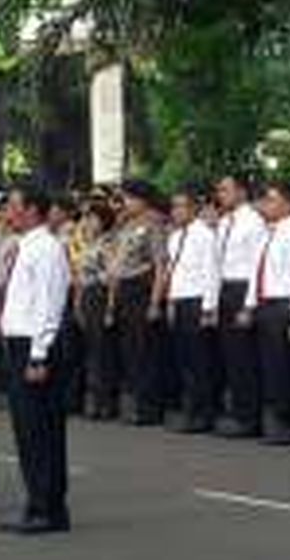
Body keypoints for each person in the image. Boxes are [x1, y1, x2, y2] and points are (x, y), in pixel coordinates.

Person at [0, 185, 73, 535]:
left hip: (36, 345)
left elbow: (49, 303)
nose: (6, 211)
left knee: (39, 429)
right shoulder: (24, 246)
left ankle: (48, 508)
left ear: (31, 210)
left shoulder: (46, 248)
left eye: (12, 205)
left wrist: (39, 354)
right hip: (19, 342)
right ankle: (38, 503)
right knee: (27, 431)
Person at [244, 182, 290, 445]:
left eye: (272, 200)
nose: (267, 205)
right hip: (265, 304)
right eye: (266, 200)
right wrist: (249, 305)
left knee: (284, 367)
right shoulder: (266, 233)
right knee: (268, 366)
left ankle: (289, 423)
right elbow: (255, 271)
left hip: (283, 306)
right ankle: (276, 421)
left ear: (287, 204)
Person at [159, 187, 220, 433]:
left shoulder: (204, 234)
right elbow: (174, 273)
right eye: (174, 207)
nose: (176, 211)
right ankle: (191, 410)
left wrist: (208, 307)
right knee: (183, 359)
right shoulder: (175, 237)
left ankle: (204, 414)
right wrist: (171, 302)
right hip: (181, 300)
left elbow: (210, 271)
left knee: (200, 361)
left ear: (194, 208)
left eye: (182, 206)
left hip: (197, 301)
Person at [214, 175, 269, 438]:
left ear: (241, 192)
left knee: (245, 357)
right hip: (225, 288)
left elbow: (255, 264)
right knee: (230, 356)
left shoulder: (253, 221)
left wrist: (248, 305)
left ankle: (250, 418)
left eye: (225, 190)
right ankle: (239, 412)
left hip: (243, 289)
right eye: (219, 191)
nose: (220, 195)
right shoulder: (224, 222)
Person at [107, 180, 166, 425]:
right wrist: (111, 303)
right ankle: (136, 402)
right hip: (124, 289)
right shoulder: (125, 226)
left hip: (143, 287)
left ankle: (149, 407)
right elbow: (116, 265)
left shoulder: (154, 225)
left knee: (144, 350)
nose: (125, 203)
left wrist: (154, 302)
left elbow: (161, 265)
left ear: (142, 200)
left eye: (129, 198)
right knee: (129, 350)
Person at [75, 200, 120, 420]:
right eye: (85, 218)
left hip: (101, 295)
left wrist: (111, 307)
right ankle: (95, 398)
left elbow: (112, 278)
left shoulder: (108, 244)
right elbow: (81, 279)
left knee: (103, 350)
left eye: (92, 218)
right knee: (91, 349)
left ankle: (106, 401)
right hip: (88, 296)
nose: (87, 222)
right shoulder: (87, 245)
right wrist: (78, 303)